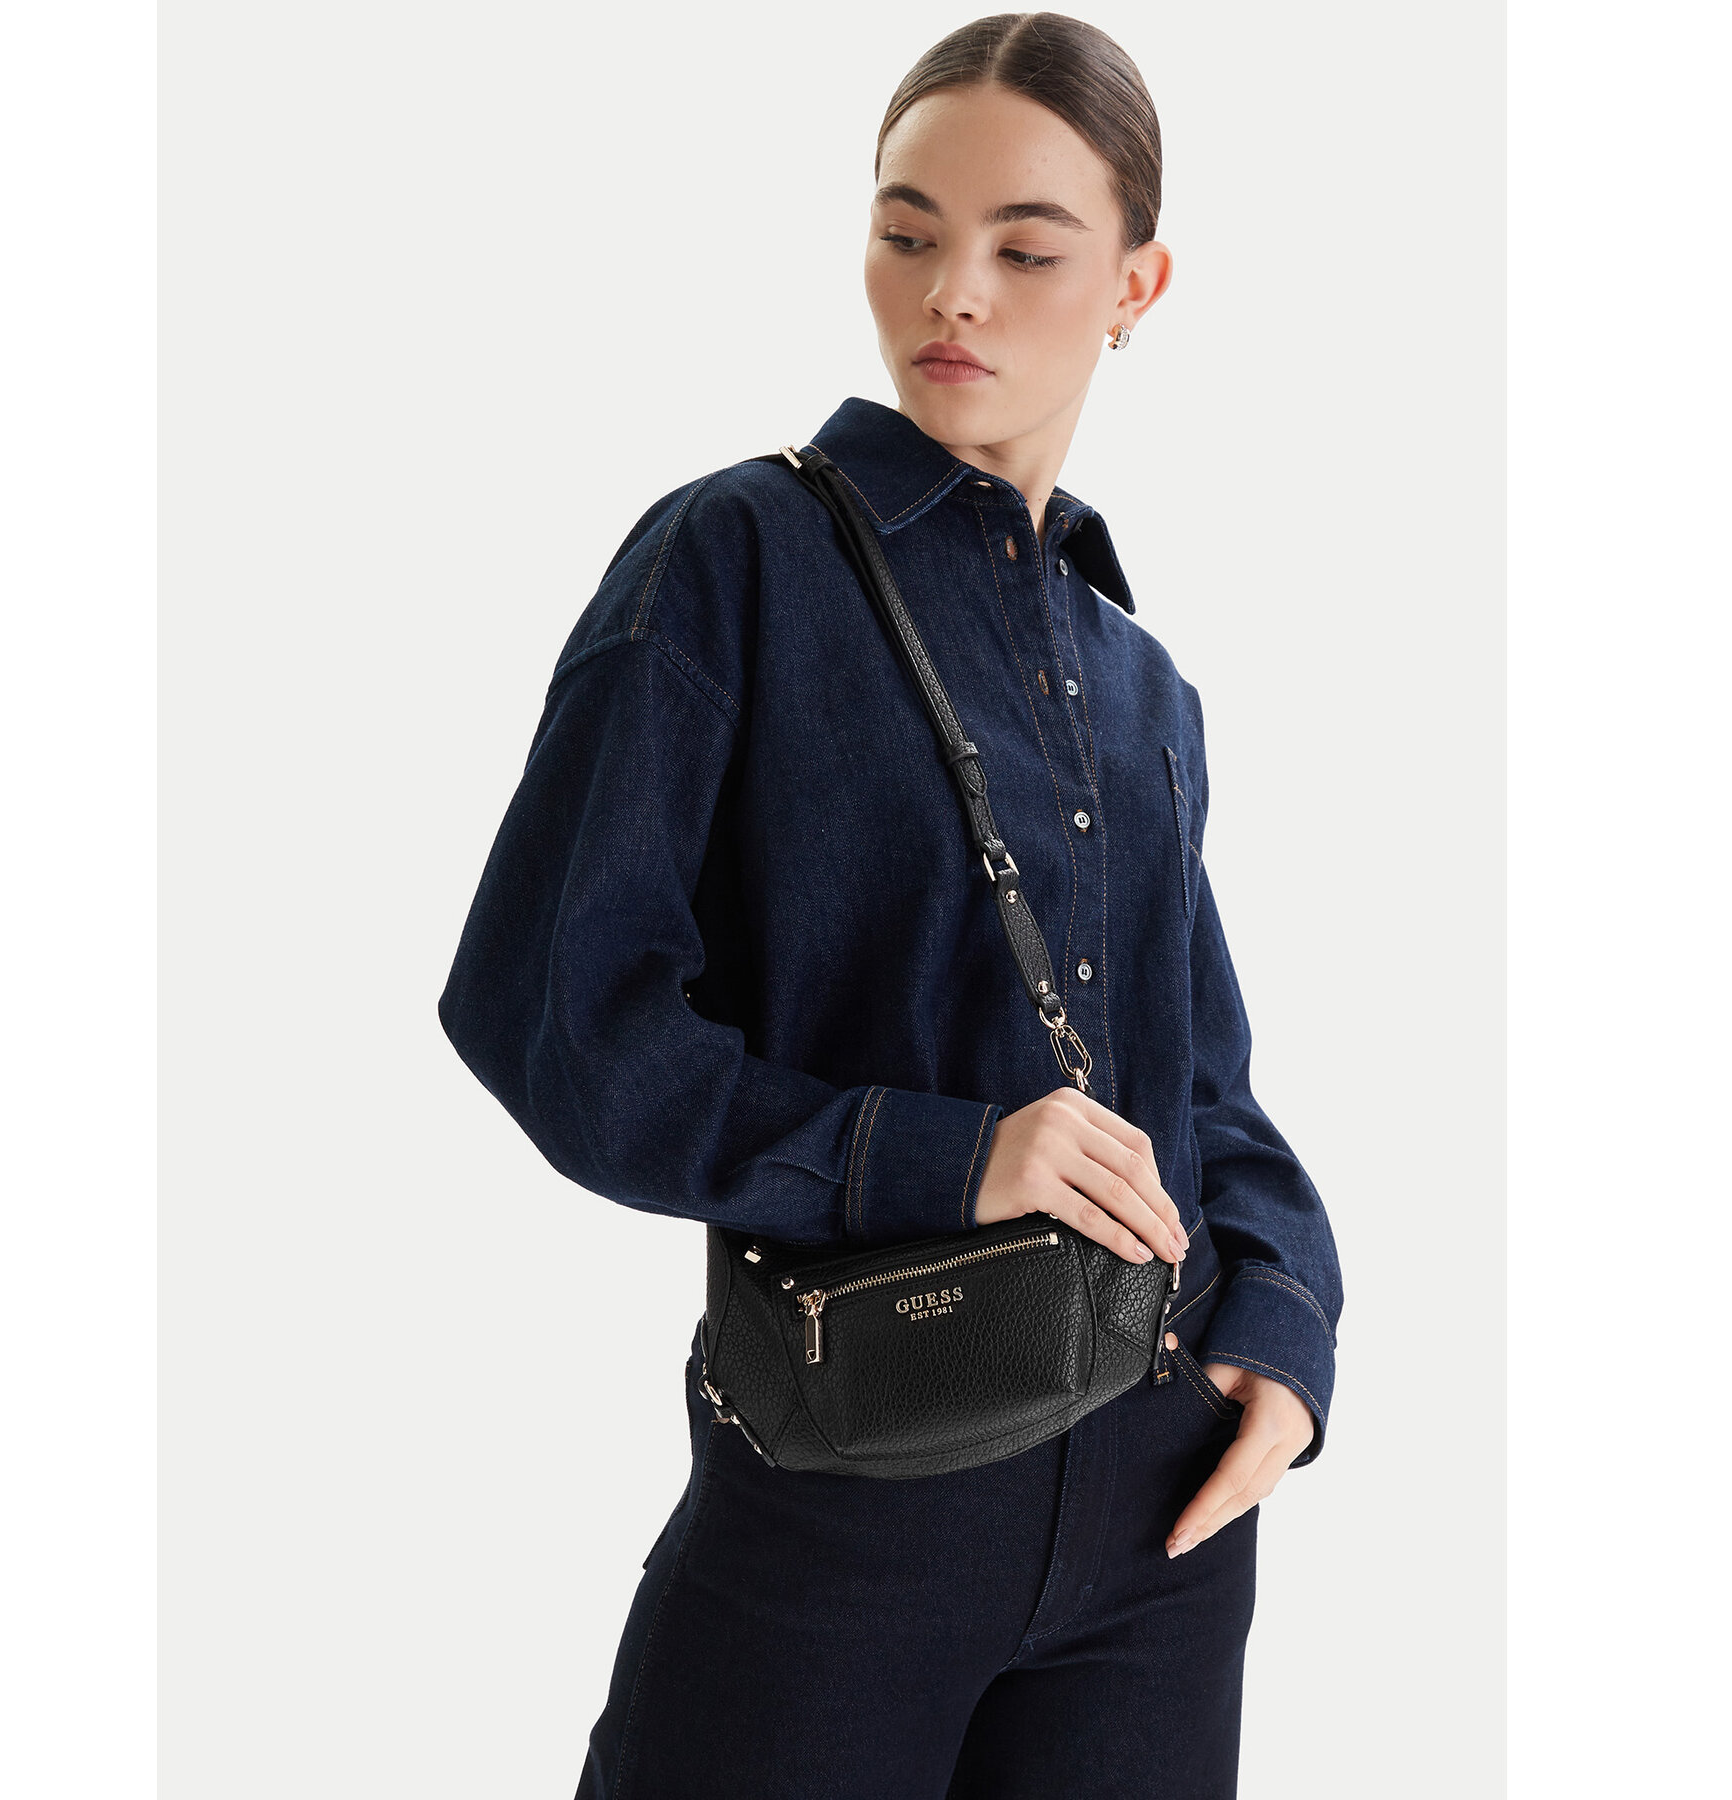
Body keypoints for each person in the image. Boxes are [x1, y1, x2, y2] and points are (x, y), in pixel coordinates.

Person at [437, 12, 1343, 1796]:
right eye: (908, 230)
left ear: (1136, 286)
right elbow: (555, 1019)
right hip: (845, 1497)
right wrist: (942, 1157)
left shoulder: (1141, 682)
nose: (955, 294)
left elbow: (1205, 1095)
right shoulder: (733, 562)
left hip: (1162, 1527)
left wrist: (1288, 1340)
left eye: (1027, 249)